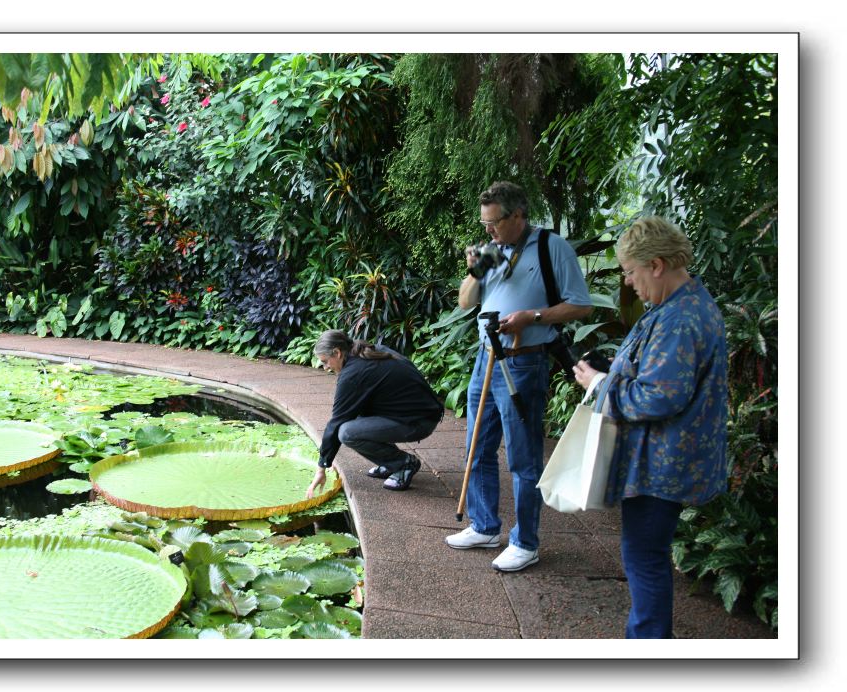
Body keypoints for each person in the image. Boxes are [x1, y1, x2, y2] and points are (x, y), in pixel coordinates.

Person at [573, 216, 728, 639]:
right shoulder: (682, 305)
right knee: (646, 554)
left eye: (630, 272)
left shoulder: (680, 318)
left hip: (663, 466)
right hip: (664, 459)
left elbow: (660, 396)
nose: (629, 282)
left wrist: (601, 383)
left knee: (644, 557)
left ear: (656, 265)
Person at [445, 181, 591, 572]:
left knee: (523, 457)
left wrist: (533, 317)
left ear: (518, 215)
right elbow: (465, 302)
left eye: (494, 223)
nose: (488, 231)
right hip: (486, 357)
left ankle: (525, 542)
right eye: (485, 224)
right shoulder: (493, 250)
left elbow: (581, 305)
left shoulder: (550, 247)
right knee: (477, 443)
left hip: (524, 361)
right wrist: (476, 271)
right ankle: (485, 525)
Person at [305, 329, 444, 498]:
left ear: (337, 352)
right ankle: (389, 461)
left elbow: (336, 422)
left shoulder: (354, 373)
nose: (326, 367)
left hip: (419, 421)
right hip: (418, 412)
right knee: (353, 414)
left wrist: (322, 467)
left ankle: (403, 464)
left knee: (347, 433)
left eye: (325, 361)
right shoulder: (365, 351)